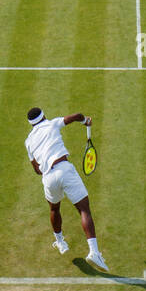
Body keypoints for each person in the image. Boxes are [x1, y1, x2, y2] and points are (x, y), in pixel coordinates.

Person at [25, 108, 108, 271]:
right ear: (44, 116)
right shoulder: (51, 124)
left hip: (48, 178)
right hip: (64, 169)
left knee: (54, 209)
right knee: (84, 209)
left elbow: (36, 169)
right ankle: (94, 253)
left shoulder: (28, 141)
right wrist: (86, 121)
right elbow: (76, 116)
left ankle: (61, 242)